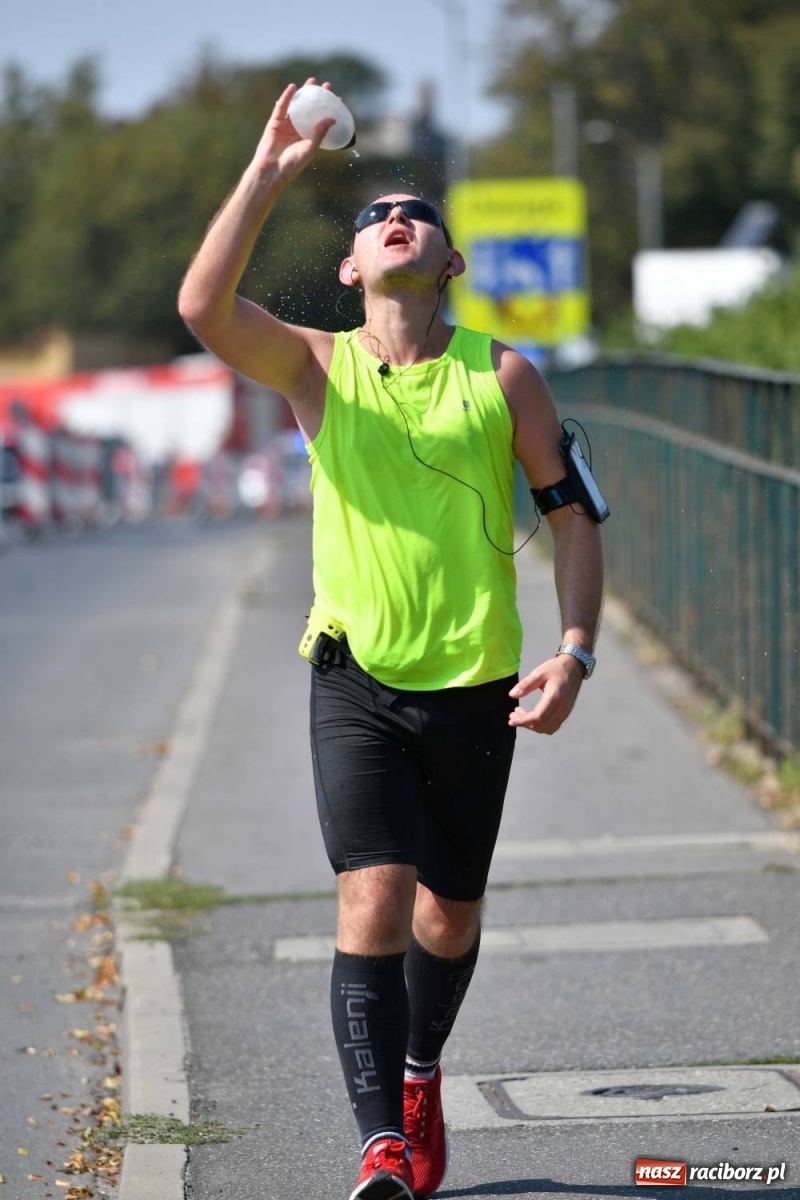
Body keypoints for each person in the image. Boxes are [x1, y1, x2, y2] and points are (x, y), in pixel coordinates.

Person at [179, 79, 604, 1200]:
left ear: (450, 263)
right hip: (354, 676)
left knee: (447, 912)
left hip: (477, 684)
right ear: (350, 270)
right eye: (374, 218)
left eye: (417, 213)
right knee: (371, 894)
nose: (394, 217)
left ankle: (419, 1073)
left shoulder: (503, 375)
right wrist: (267, 172)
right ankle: (378, 1144)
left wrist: (573, 650)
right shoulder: (316, 367)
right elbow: (202, 306)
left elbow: (572, 519)